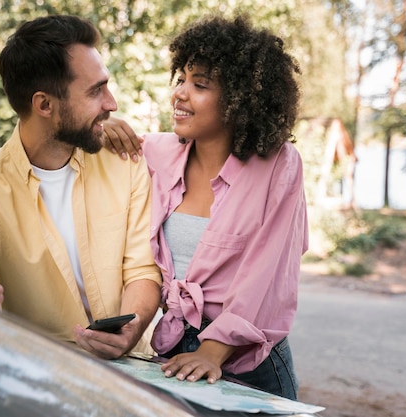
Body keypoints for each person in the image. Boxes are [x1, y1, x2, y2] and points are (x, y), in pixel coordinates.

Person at [104, 15, 308, 399]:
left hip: (249, 360)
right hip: (174, 351)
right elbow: (90, 151)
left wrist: (215, 349)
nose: (180, 93)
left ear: (240, 98)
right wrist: (103, 128)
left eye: (200, 85)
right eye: (181, 79)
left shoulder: (279, 164)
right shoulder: (156, 152)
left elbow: (268, 273)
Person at [0, 15, 161, 360]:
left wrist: (131, 331)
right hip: (44, 378)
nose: (112, 103)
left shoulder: (123, 160)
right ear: (44, 105)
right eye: (96, 90)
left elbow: (142, 270)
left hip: (133, 373)